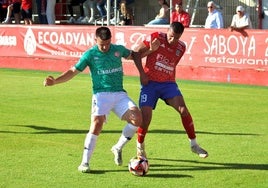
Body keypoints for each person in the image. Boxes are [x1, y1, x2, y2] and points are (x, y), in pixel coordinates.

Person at [43, 26, 144, 173]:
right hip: (101, 95)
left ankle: (117, 147)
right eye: (102, 44)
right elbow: (72, 71)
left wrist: (151, 50)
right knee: (96, 124)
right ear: (95, 40)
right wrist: (55, 81)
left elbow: (134, 55)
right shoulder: (90, 55)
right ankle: (84, 163)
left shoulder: (118, 50)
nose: (105, 47)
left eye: (108, 43)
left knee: (137, 118)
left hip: (119, 93)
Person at [111, 22, 208, 166]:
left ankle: (194, 145)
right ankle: (140, 147)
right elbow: (136, 53)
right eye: (170, 36)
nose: (172, 40)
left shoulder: (181, 47)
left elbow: (172, 64)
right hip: (150, 84)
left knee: (183, 110)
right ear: (167, 31)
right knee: (145, 118)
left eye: (176, 38)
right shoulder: (155, 37)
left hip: (168, 84)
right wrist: (142, 73)